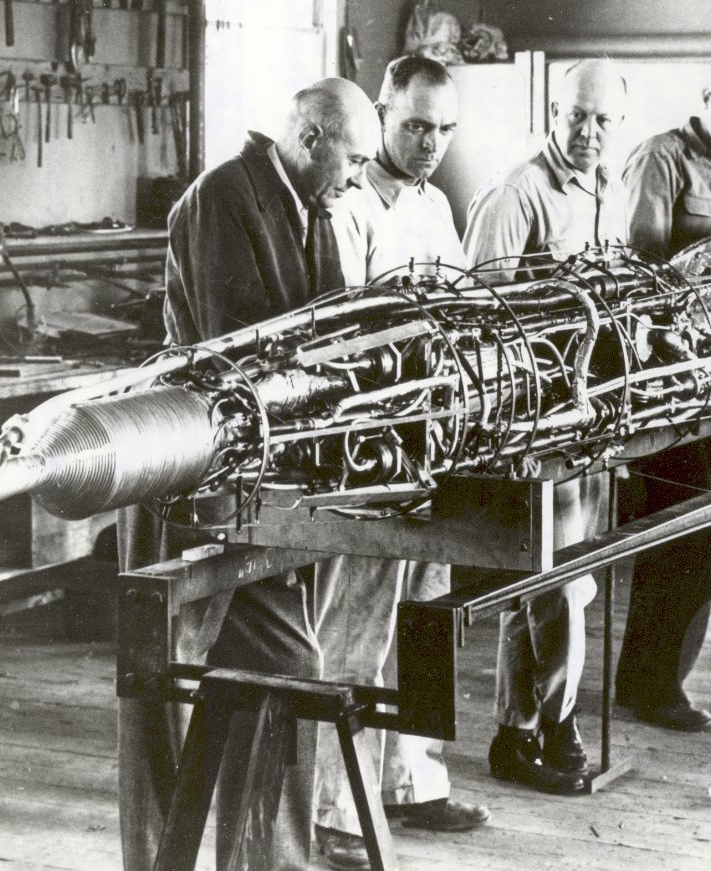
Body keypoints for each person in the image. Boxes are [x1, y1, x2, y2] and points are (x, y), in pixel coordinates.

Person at [119, 77, 378, 871]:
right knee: (169, 692)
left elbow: (332, 327)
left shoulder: (311, 206)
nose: (359, 178)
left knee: (277, 675)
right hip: (190, 473)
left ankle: (260, 862)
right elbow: (244, 356)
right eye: (354, 160)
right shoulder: (224, 198)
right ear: (311, 139)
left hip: (258, 480)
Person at [312, 54, 490, 870]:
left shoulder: (434, 203)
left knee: (424, 611)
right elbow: (343, 336)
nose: (430, 143)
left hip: (434, 439)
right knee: (359, 621)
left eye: (444, 129)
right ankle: (336, 809)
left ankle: (413, 782)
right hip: (371, 446)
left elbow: (462, 306)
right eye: (416, 125)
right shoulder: (350, 206)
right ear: (383, 113)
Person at [461, 58, 628, 795]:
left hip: (591, 417)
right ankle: (555, 727)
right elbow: (477, 318)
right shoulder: (517, 193)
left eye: (602, 119)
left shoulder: (604, 190)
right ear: (552, 114)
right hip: (535, 425)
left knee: (561, 582)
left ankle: (518, 730)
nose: (587, 132)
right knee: (549, 586)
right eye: (575, 116)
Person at [614, 57, 711, 732]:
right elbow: (641, 271)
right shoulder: (662, 158)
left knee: (691, 532)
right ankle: (654, 688)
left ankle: (648, 682)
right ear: (706, 98)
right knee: (681, 536)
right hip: (662, 380)